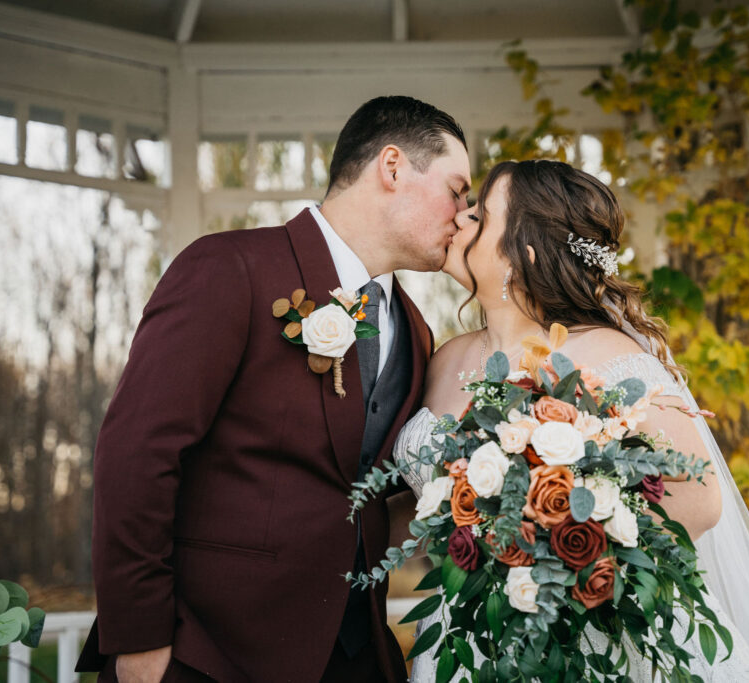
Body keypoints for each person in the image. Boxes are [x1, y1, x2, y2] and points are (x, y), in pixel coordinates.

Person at [75, 95, 472, 682]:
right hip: (205, 655)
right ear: (392, 167)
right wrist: (139, 638)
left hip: (356, 655)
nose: (464, 215)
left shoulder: (415, 329)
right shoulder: (230, 268)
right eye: (457, 190)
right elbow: (137, 456)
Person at [390, 160, 749, 681]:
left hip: (587, 641)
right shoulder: (443, 359)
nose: (460, 218)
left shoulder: (607, 357)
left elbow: (700, 499)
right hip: (470, 633)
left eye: (480, 214)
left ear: (520, 253)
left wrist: (556, 556)